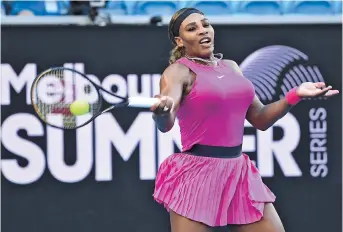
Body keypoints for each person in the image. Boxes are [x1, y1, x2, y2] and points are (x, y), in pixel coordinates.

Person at [150, 8, 339, 232]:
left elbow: (260, 119)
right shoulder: (177, 72)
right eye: (192, 28)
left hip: (238, 173)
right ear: (180, 41)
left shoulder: (231, 67)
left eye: (205, 24)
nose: (203, 31)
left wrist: (295, 95)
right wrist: (162, 112)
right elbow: (166, 121)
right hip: (197, 175)